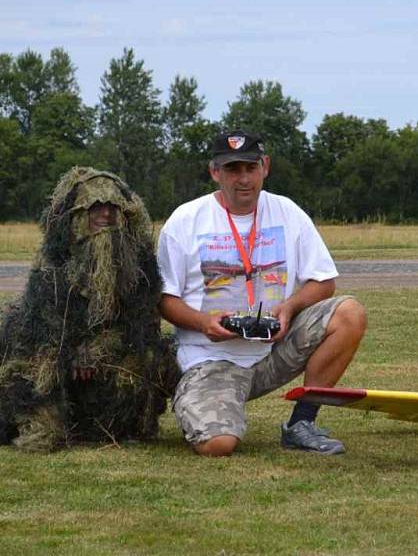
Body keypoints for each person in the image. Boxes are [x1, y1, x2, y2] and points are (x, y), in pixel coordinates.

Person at [157, 130, 366, 457]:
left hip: (272, 351)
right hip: (211, 358)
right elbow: (164, 299)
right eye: (232, 170)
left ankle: (302, 423)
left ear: (265, 167)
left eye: (250, 168)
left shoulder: (288, 212)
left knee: (349, 313)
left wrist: (289, 307)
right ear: (215, 173)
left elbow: (324, 281)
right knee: (218, 446)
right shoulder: (185, 221)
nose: (243, 179)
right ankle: (205, 402)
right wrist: (203, 323)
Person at [0, 167, 176, 451]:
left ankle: (124, 425)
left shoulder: (138, 263)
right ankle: (42, 426)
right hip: (62, 352)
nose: (105, 214)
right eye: (96, 207)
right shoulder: (53, 264)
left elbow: (143, 323)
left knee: (154, 356)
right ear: (78, 215)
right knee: (27, 350)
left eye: (112, 207)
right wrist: (73, 352)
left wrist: (99, 349)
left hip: (114, 354)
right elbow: (42, 322)